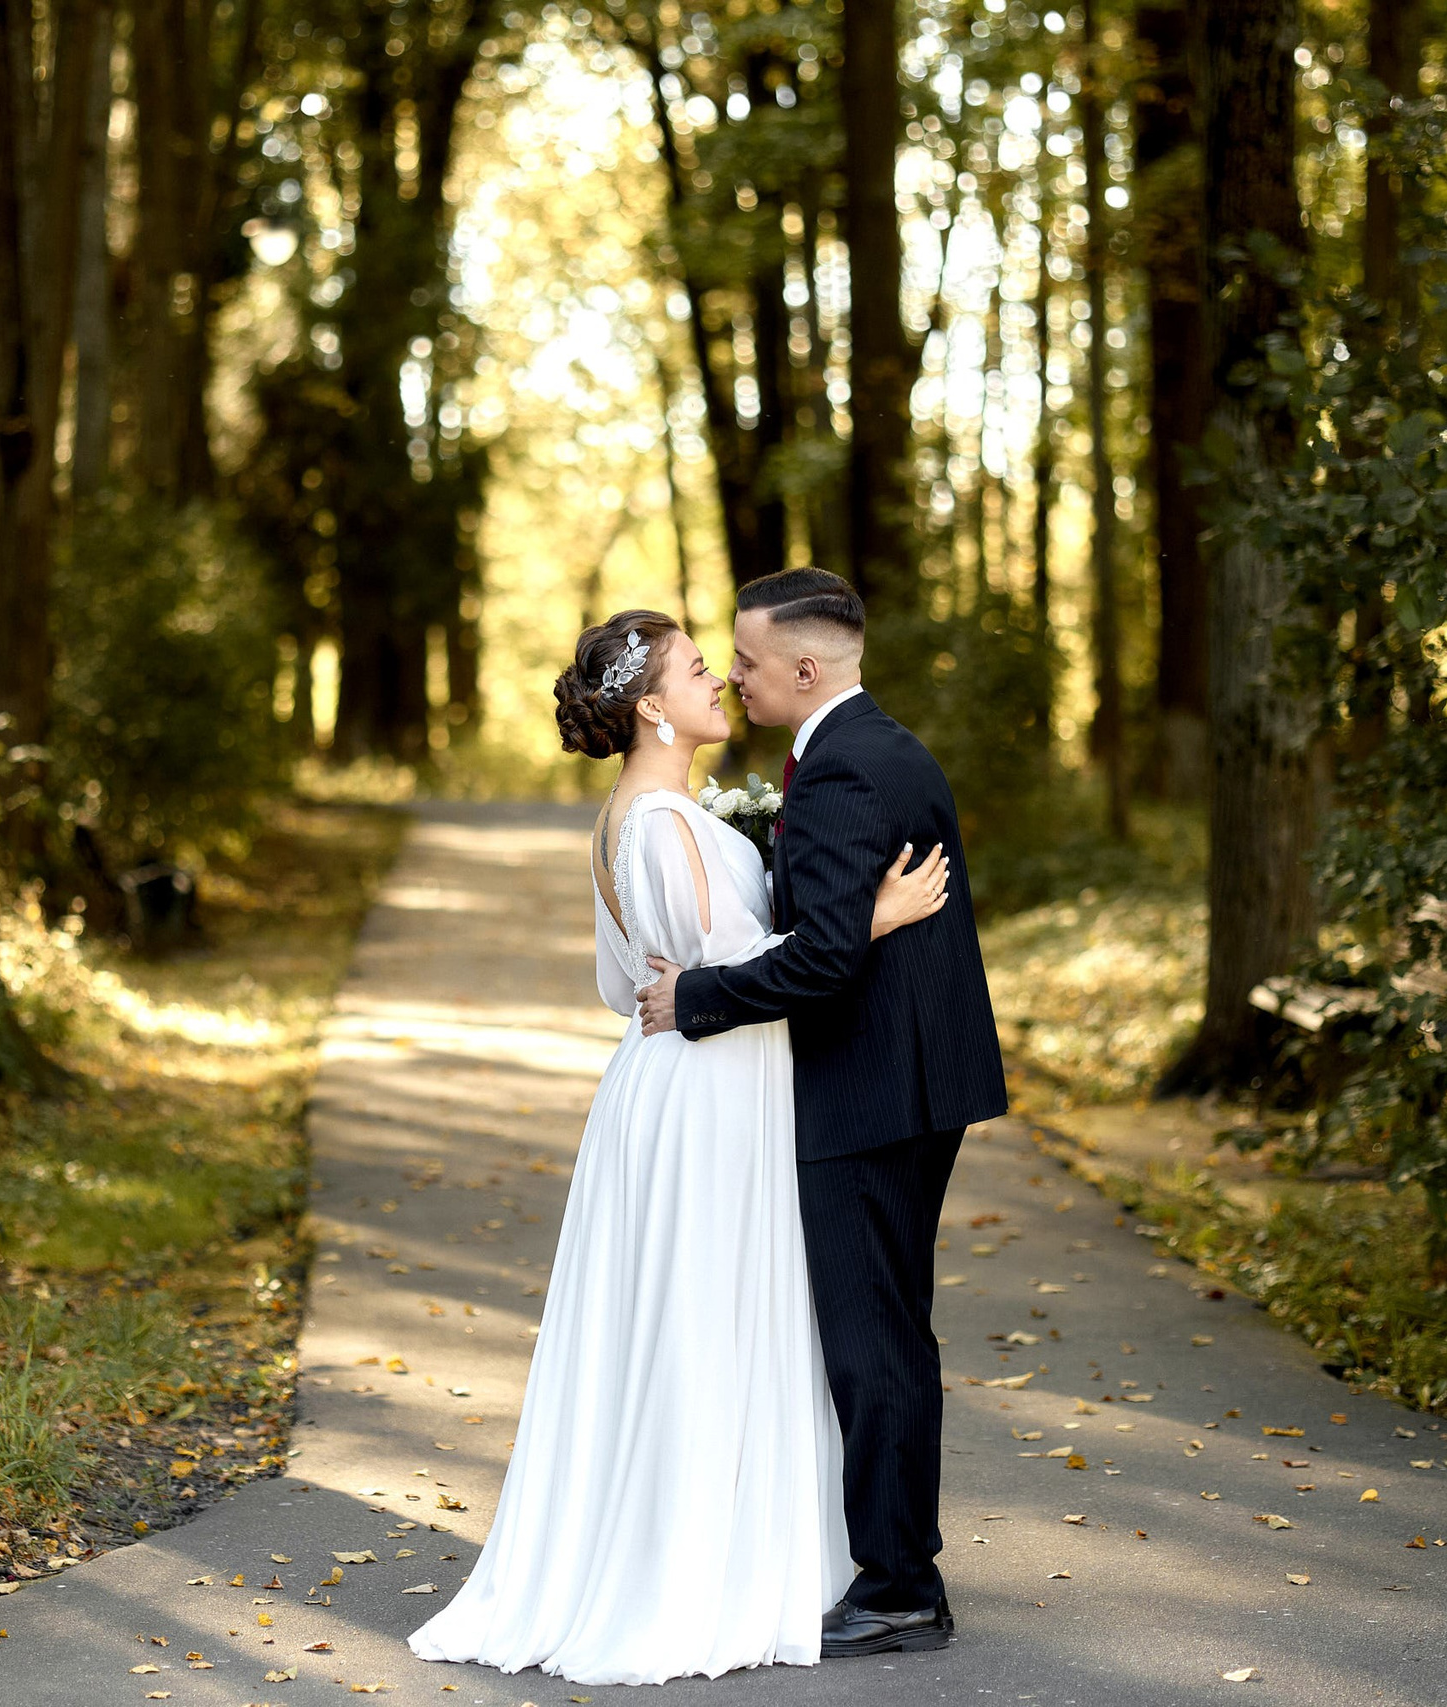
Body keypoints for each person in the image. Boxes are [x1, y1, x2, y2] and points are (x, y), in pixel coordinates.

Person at [406, 608, 951, 1686]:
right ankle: (697, 1562)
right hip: (709, 1086)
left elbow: (629, 985)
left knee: (681, 1313)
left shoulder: (631, 819)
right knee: (706, 1314)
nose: (718, 680)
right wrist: (872, 920)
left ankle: (689, 1540)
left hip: (665, 1081)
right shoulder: (662, 823)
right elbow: (727, 970)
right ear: (650, 704)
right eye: (699, 668)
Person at [637, 567, 1008, 1658]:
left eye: (746, 662)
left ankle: (898, 1585)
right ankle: (895, 1564)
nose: (736, 679)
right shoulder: (860, 746)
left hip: (872, 1088)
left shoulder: (848, 768)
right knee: (882, 1325)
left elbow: (832, 959)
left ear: (806, 668)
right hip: (897, 1080)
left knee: (870, 1337)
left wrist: (693, 999)